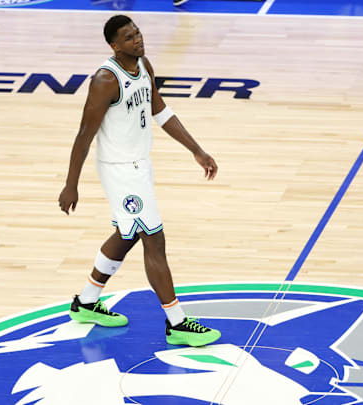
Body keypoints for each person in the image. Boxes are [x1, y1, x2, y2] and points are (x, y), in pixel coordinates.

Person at [58, 15, 220, 347]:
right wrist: (71, 183)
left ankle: (86, 302)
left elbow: (159, 110)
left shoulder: (143, 64)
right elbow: (84, 135)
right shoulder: (105, 80)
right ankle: (177, 323)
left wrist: (197, 150)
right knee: (154, 239)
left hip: (139, 166)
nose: (138, 39)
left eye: (138, 33)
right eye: (129, 37)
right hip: (120, 171)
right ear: (114, 45)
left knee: (126, 235)